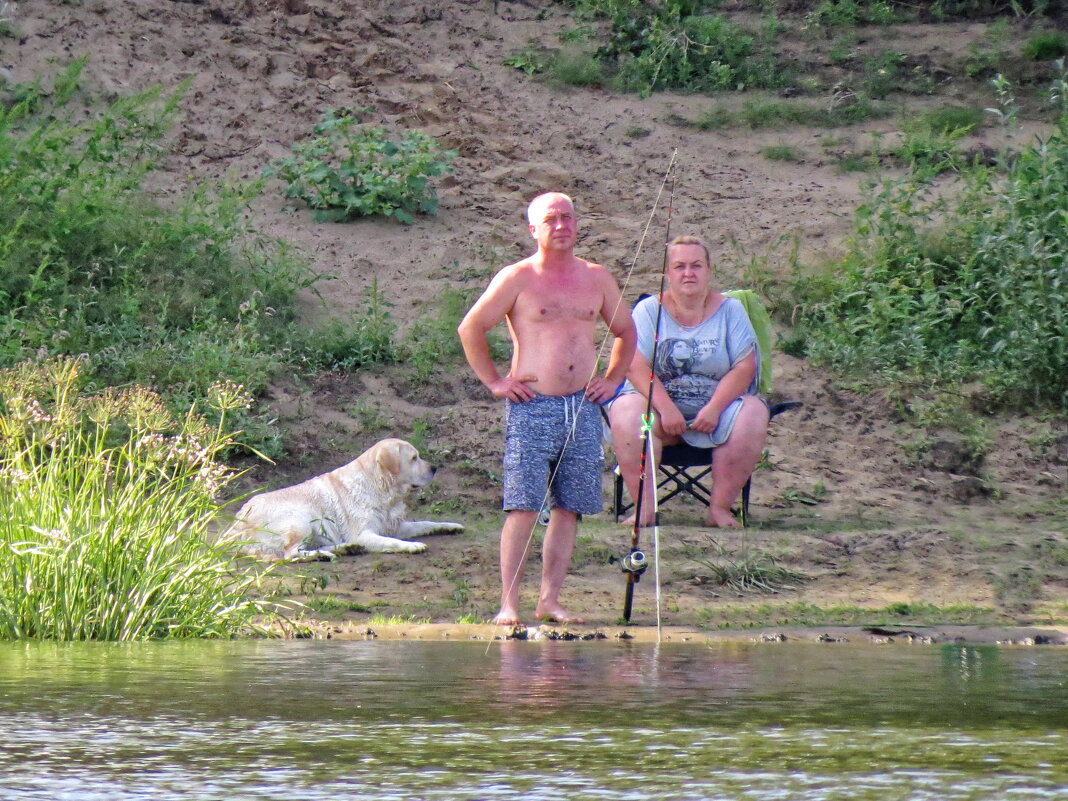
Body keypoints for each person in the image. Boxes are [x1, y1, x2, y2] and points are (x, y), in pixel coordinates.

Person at [458, 192, 637, 626]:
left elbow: (626, 331)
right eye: (551, 219)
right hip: (532, 404)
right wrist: (496, 382)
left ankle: (550, 599)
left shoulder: (596, 277)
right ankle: (509, 602)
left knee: (568, 507)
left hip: (580, 404)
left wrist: (612, 380)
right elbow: (471, 327)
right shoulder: (517, 277)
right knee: (524, 505)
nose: (561, 225)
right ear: (534, 229)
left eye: (568, 218)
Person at [608, 235, 769, 528]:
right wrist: (666, 408)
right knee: (630, 415)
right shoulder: (648, 311)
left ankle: (719, 509)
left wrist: (715, 409)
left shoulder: (731, 310)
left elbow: (745, 367)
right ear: (667, 273)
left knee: (754, 412)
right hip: (656, 414)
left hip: (716, 414)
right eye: (679, 266)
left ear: (709, 271)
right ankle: (644, 508)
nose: (688, 273)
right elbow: (635, 364)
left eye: (696, 265)